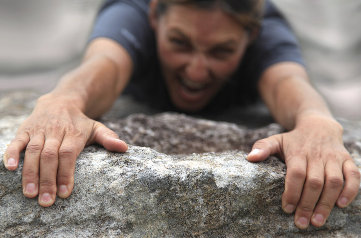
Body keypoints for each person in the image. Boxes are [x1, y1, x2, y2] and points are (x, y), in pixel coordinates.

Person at [3, 0, 360, 230]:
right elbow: (104, 63)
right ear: (155, 14)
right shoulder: (131, 13)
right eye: (180, 43)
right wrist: (64, 100)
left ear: (251, 36)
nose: (197, 71)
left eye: (221, 51)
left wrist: (317, 122)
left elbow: (290, 83)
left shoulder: (268, 32)